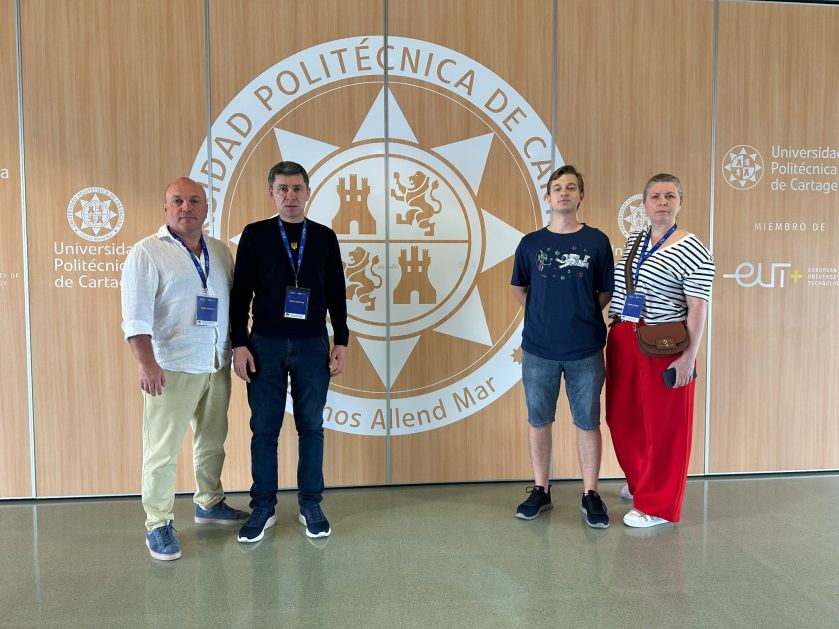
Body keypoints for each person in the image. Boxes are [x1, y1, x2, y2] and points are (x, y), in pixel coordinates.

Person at [121, 177, 249, 561]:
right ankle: (157, 523)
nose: (186, 207)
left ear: (206, 209)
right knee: (162, 450)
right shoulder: (147, 252)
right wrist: (147, 363)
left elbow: (232, 307)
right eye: (177, 200)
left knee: (212, 441)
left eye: (194, 201)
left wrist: (235, 349)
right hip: (170, 367)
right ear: (165, 208)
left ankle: (208, 502)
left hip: (215, 363)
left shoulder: (221, 251)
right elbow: (135, 316)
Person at [231, 161, 349, 543]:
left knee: (311, 427)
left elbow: (337, 292)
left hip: (313, 343)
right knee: (264, 428)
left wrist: (341, 341)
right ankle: (263, 507)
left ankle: (310, 504)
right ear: (271, 193)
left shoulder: (325, 237)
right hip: (264, 343)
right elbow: (240, 294)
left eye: (297, 188)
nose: (290, 196)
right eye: (282, 188)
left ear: (308, 192)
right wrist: (239, 344)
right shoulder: (255, 235)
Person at [606, 173, 714, 528]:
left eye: (670, 196)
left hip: (664, 343)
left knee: (666, 425)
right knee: (623, 417)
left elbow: (698, 306)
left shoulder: (692, 247)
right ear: (645, 204)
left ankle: (658, 506)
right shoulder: (636, 240)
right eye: (655, 196)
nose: (662, 202)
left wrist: (688, 358)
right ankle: (642, 481)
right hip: (625, 334)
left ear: (680, 203)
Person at [511, 165, 614, 528]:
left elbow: (605, 291)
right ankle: (541, 490)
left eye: (571, 187)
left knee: (587, 422)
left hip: (585, 350)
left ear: (581, 196)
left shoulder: (597, 241)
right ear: (549, 197)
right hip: (538, 350)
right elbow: (520, 289)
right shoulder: (530, 243)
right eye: (558, 188)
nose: (564, 193)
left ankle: (590, 493)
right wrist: (546, 315)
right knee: (539, 421)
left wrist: (577, 314)